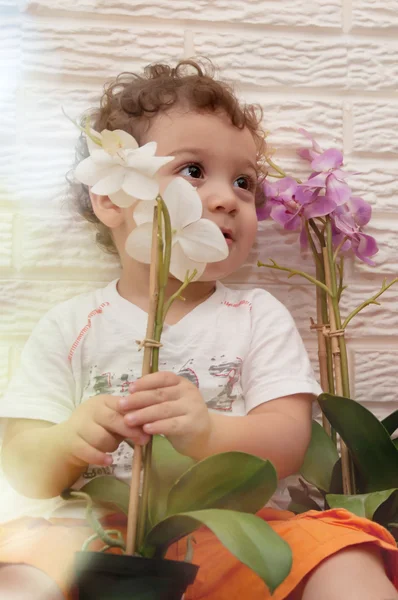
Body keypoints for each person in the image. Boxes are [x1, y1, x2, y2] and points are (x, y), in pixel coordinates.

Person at [0, 59, 396, 600]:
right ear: (111, 196)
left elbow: (288, 440)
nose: (227, 198)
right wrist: (69, 442)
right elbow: (23, 465)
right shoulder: (71, 324)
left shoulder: (257, 314)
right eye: (192, 170)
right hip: (96, 541)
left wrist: (210, 434)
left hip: (231, 537)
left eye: (244, 181)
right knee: (19, 568)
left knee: (345, 559)